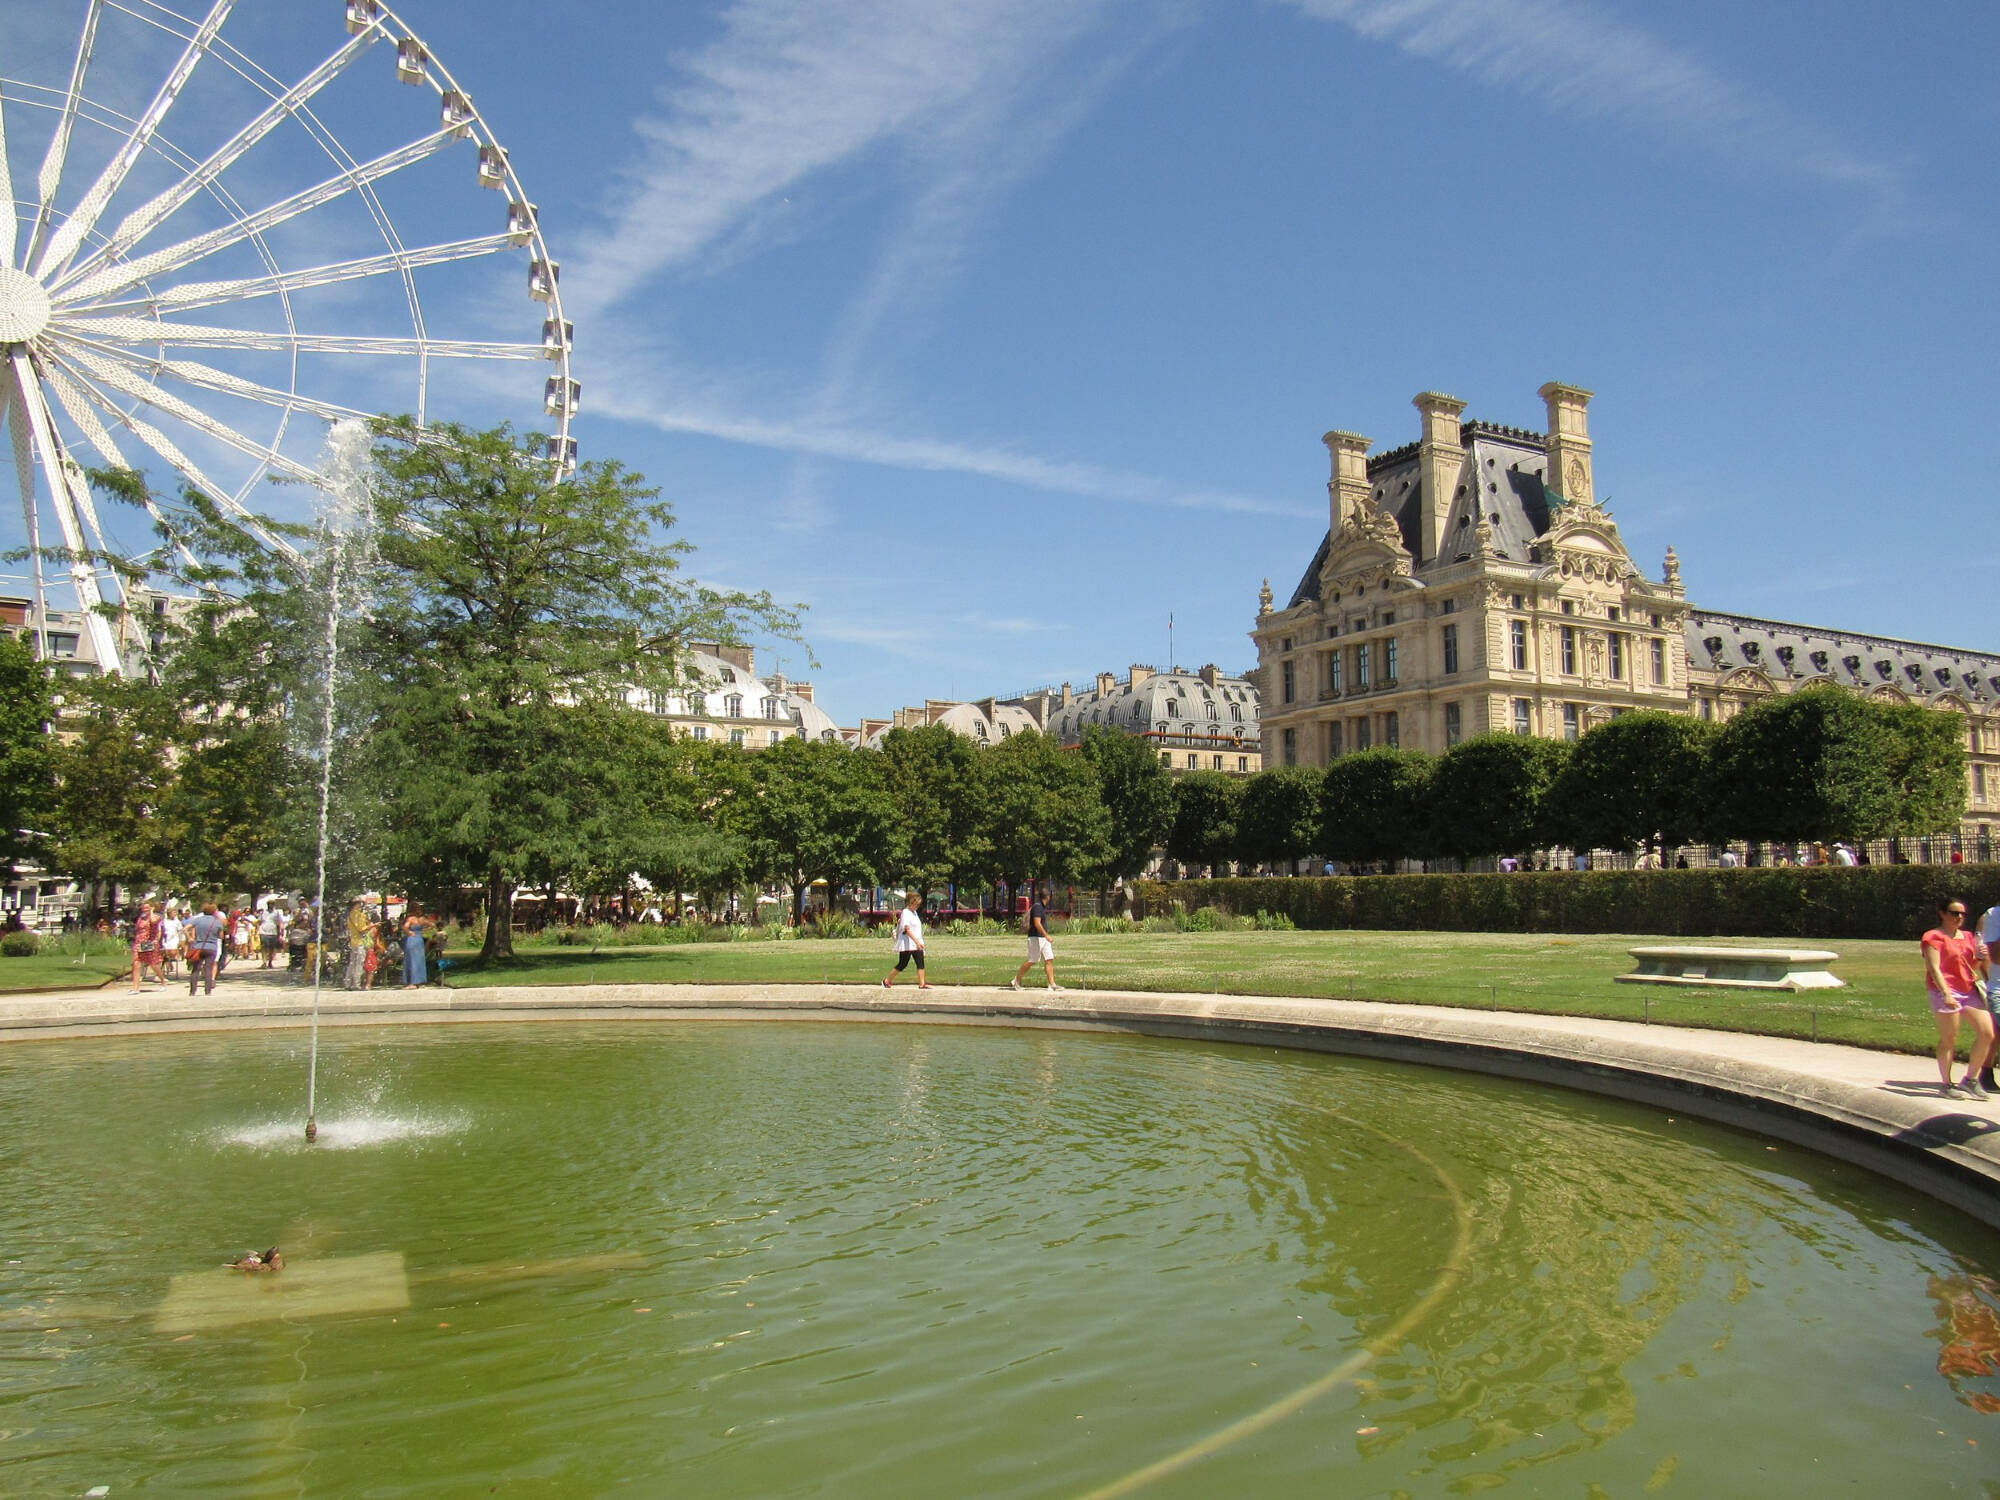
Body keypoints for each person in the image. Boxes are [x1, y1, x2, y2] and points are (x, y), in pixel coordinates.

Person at [1922, 898, 1995, 1099]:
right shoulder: (1933, 937)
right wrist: (1946, 993)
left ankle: (1970, 1079)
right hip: (1944, 991)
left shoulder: (1968, 937)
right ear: (1942, 913)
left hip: (1968, 990)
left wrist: (1980, 957)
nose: (1959, 917)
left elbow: (1971, 966)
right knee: (1950, 1038)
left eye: (1962, 914)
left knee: (1987, 1033)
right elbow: (1934, 967)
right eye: (1955, 913)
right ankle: (1946, 1084)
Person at [1011, 885, 1060, 992]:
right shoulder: (1037, 907)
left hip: (1043, 938)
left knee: (1049, 959)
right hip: (1035, 938)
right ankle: (1016, 981)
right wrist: (1046, 935)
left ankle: (1052, 984)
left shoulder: (1042, 907)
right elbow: (1037, 924)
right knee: (1033, 960)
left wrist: (1045, 937)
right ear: (1047, 897)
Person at [881, 891, 930, 989]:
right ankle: (887, 981)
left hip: (916, 942)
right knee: (903, 964)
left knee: (920, 961)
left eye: (918, 904)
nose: (917, 906)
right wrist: (916, 941)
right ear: (910, 903)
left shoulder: (914, 913)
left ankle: (922, 983)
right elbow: (906, 929)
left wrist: (918, 942)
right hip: (907, 942)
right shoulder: (906, 912)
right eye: (915, 904)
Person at [186, 902, 226, 996]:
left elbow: (185, 929)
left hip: (198, 947)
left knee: (195, 970)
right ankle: (207, 991)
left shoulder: (197, 920)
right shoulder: (217, 921)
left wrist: (190, 937)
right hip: (211, 947)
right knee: (209, 969)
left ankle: (192, 991)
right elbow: (221, 936)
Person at [128, 900, 165, 992]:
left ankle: (163, 980)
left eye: (147, 908)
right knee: (136, 964)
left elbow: (153, 922)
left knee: (152, 964)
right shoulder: (141, 918)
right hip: (139, 941)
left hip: (148, 942)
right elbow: (137, 930)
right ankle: (135, 988)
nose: (145, 910)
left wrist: (151, 912)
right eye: (144, 908)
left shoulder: (156, 916)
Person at [343, 899, 373, 990]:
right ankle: (356, 984)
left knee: (352, 963)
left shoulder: (350, 915)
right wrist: (373, 925)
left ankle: (347, 983)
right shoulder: (359, 915)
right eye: (360, 903)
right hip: (359, 942)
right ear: (356, 904)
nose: (361, 905)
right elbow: (362, 929)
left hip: (353, 941)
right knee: (358, 964)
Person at [401, 904, 430, 989]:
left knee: (411, 960)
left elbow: (405, 927)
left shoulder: (410, 919)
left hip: (411, 939)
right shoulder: (422, 919)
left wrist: (409, 932)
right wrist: (423, 930)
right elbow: (432, 925)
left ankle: (412, 983)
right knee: (419, 960)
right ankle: (419, 981)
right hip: (419, 939)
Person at [160, 904, 183, 978]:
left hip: (174, 939)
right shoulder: (164, 921)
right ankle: (164, 967)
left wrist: (180, 940)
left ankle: (169, 963)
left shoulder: (177, 922)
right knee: (164, 954)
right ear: (169, 914)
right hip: (166, 939)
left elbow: (180, 931)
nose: (175, 914)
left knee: (172, 953)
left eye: (175, 913)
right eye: (173, 913)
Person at [258, 903, 283, 968]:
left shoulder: (276, 913)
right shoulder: (263, 912)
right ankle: (264, 962)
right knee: (264, 947)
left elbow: (280, 922)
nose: (271, 905)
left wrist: (280, 932)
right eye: (269, 904)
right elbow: (259, 921)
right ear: (267, 905)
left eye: (272, 904)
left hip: (273, 932)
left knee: (272, 948)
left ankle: (270, 962)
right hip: (263, 931)